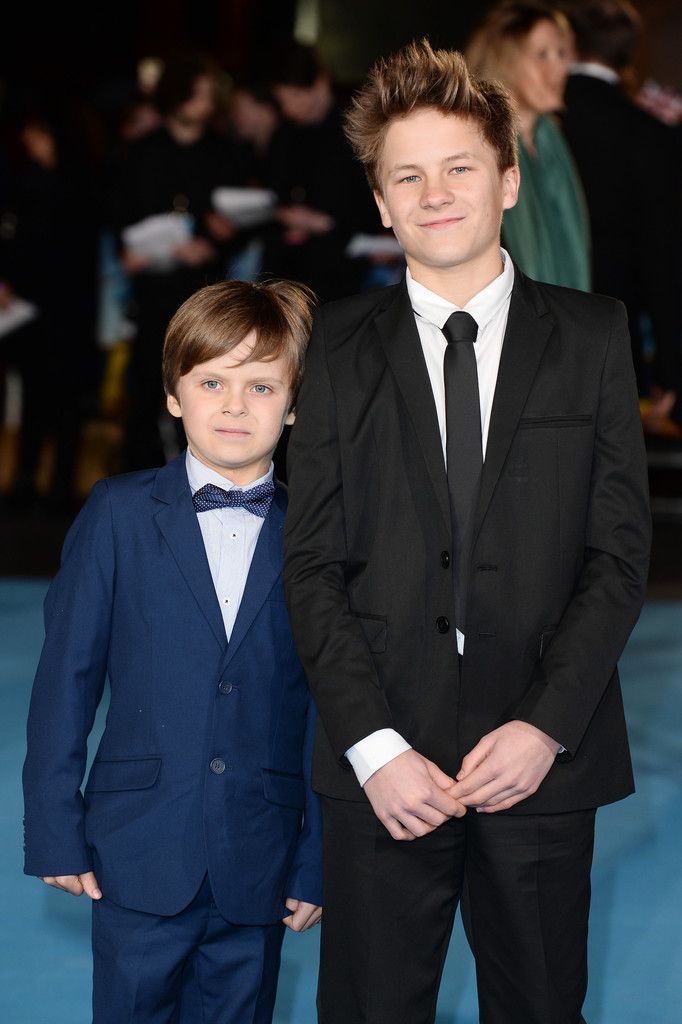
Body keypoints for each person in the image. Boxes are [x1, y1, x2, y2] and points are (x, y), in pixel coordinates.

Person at [283, 39, 650, 1024]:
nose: (434, 194)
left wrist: (545, 726)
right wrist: (372, 746)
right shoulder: (335, 346)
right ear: (379, 202)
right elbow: (309, 563)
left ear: (509, 180)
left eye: (459, 168)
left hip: (539, 757)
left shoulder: (592, 334)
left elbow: (618, 554)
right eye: (407, 176)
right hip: (382, 764)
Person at [22, 278, 322, 1023]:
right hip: (138, 845)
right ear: (172, 395)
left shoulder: (317, 533)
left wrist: (317, 857)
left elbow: (328, 705)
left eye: (261, 387)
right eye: (211, 382)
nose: (234, 405)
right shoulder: (118, 512)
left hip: (260, 850)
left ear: (294, 404)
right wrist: (54, 828)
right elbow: (65, 682)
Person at [111, 55, 240, 471]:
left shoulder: (224, 153)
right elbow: (120, 215)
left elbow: (239, 218)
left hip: (205, 290)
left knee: (204, 387)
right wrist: (130, 250)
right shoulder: (143, 152)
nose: (204, 103)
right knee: (147, 389)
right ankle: (139, 479)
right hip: (153, 291)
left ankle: (204, 478)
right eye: (196, 94)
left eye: (209, 95)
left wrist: (215, 241)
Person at [561, 0, 682, 429]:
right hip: (616, 332)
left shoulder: (540, 123)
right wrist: (669, 370)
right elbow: (663, 257)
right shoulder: (650, 134)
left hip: (535, 322)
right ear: (629, 51)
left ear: (570, 43)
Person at [467, 1, 591, 291]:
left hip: (568, 309)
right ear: (505, 61)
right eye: (543, 54)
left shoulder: (553, 141)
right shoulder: (479, 146)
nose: (560, 66)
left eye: (562, 53)